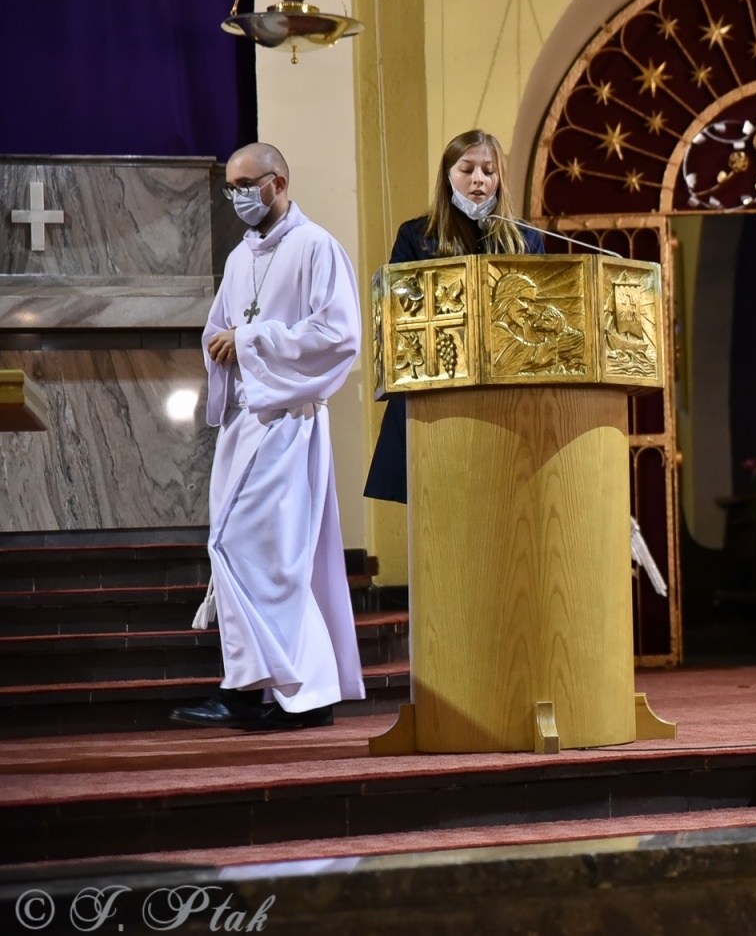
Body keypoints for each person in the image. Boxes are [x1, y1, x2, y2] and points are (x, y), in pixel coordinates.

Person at [172, 143, 365, 730]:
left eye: (244, 184)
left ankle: (277, 693)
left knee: (263, 555)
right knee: (250, 554)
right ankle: (277, 692)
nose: (236, 197)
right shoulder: (238, 259)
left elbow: (339, 334)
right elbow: (221, 327)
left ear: (278, 182)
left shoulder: (315, 247)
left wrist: (250, 341)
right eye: (230, 186)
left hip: (289, 423)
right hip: (246, 426)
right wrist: (224, 344)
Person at [364, 130, 545, 504]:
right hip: (435, 398)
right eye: (467, 169)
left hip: (504, 396)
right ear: (448, 176)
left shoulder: (525, 239)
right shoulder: (418, 235)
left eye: (489, 171)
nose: (479, 180)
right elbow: (397, 312)